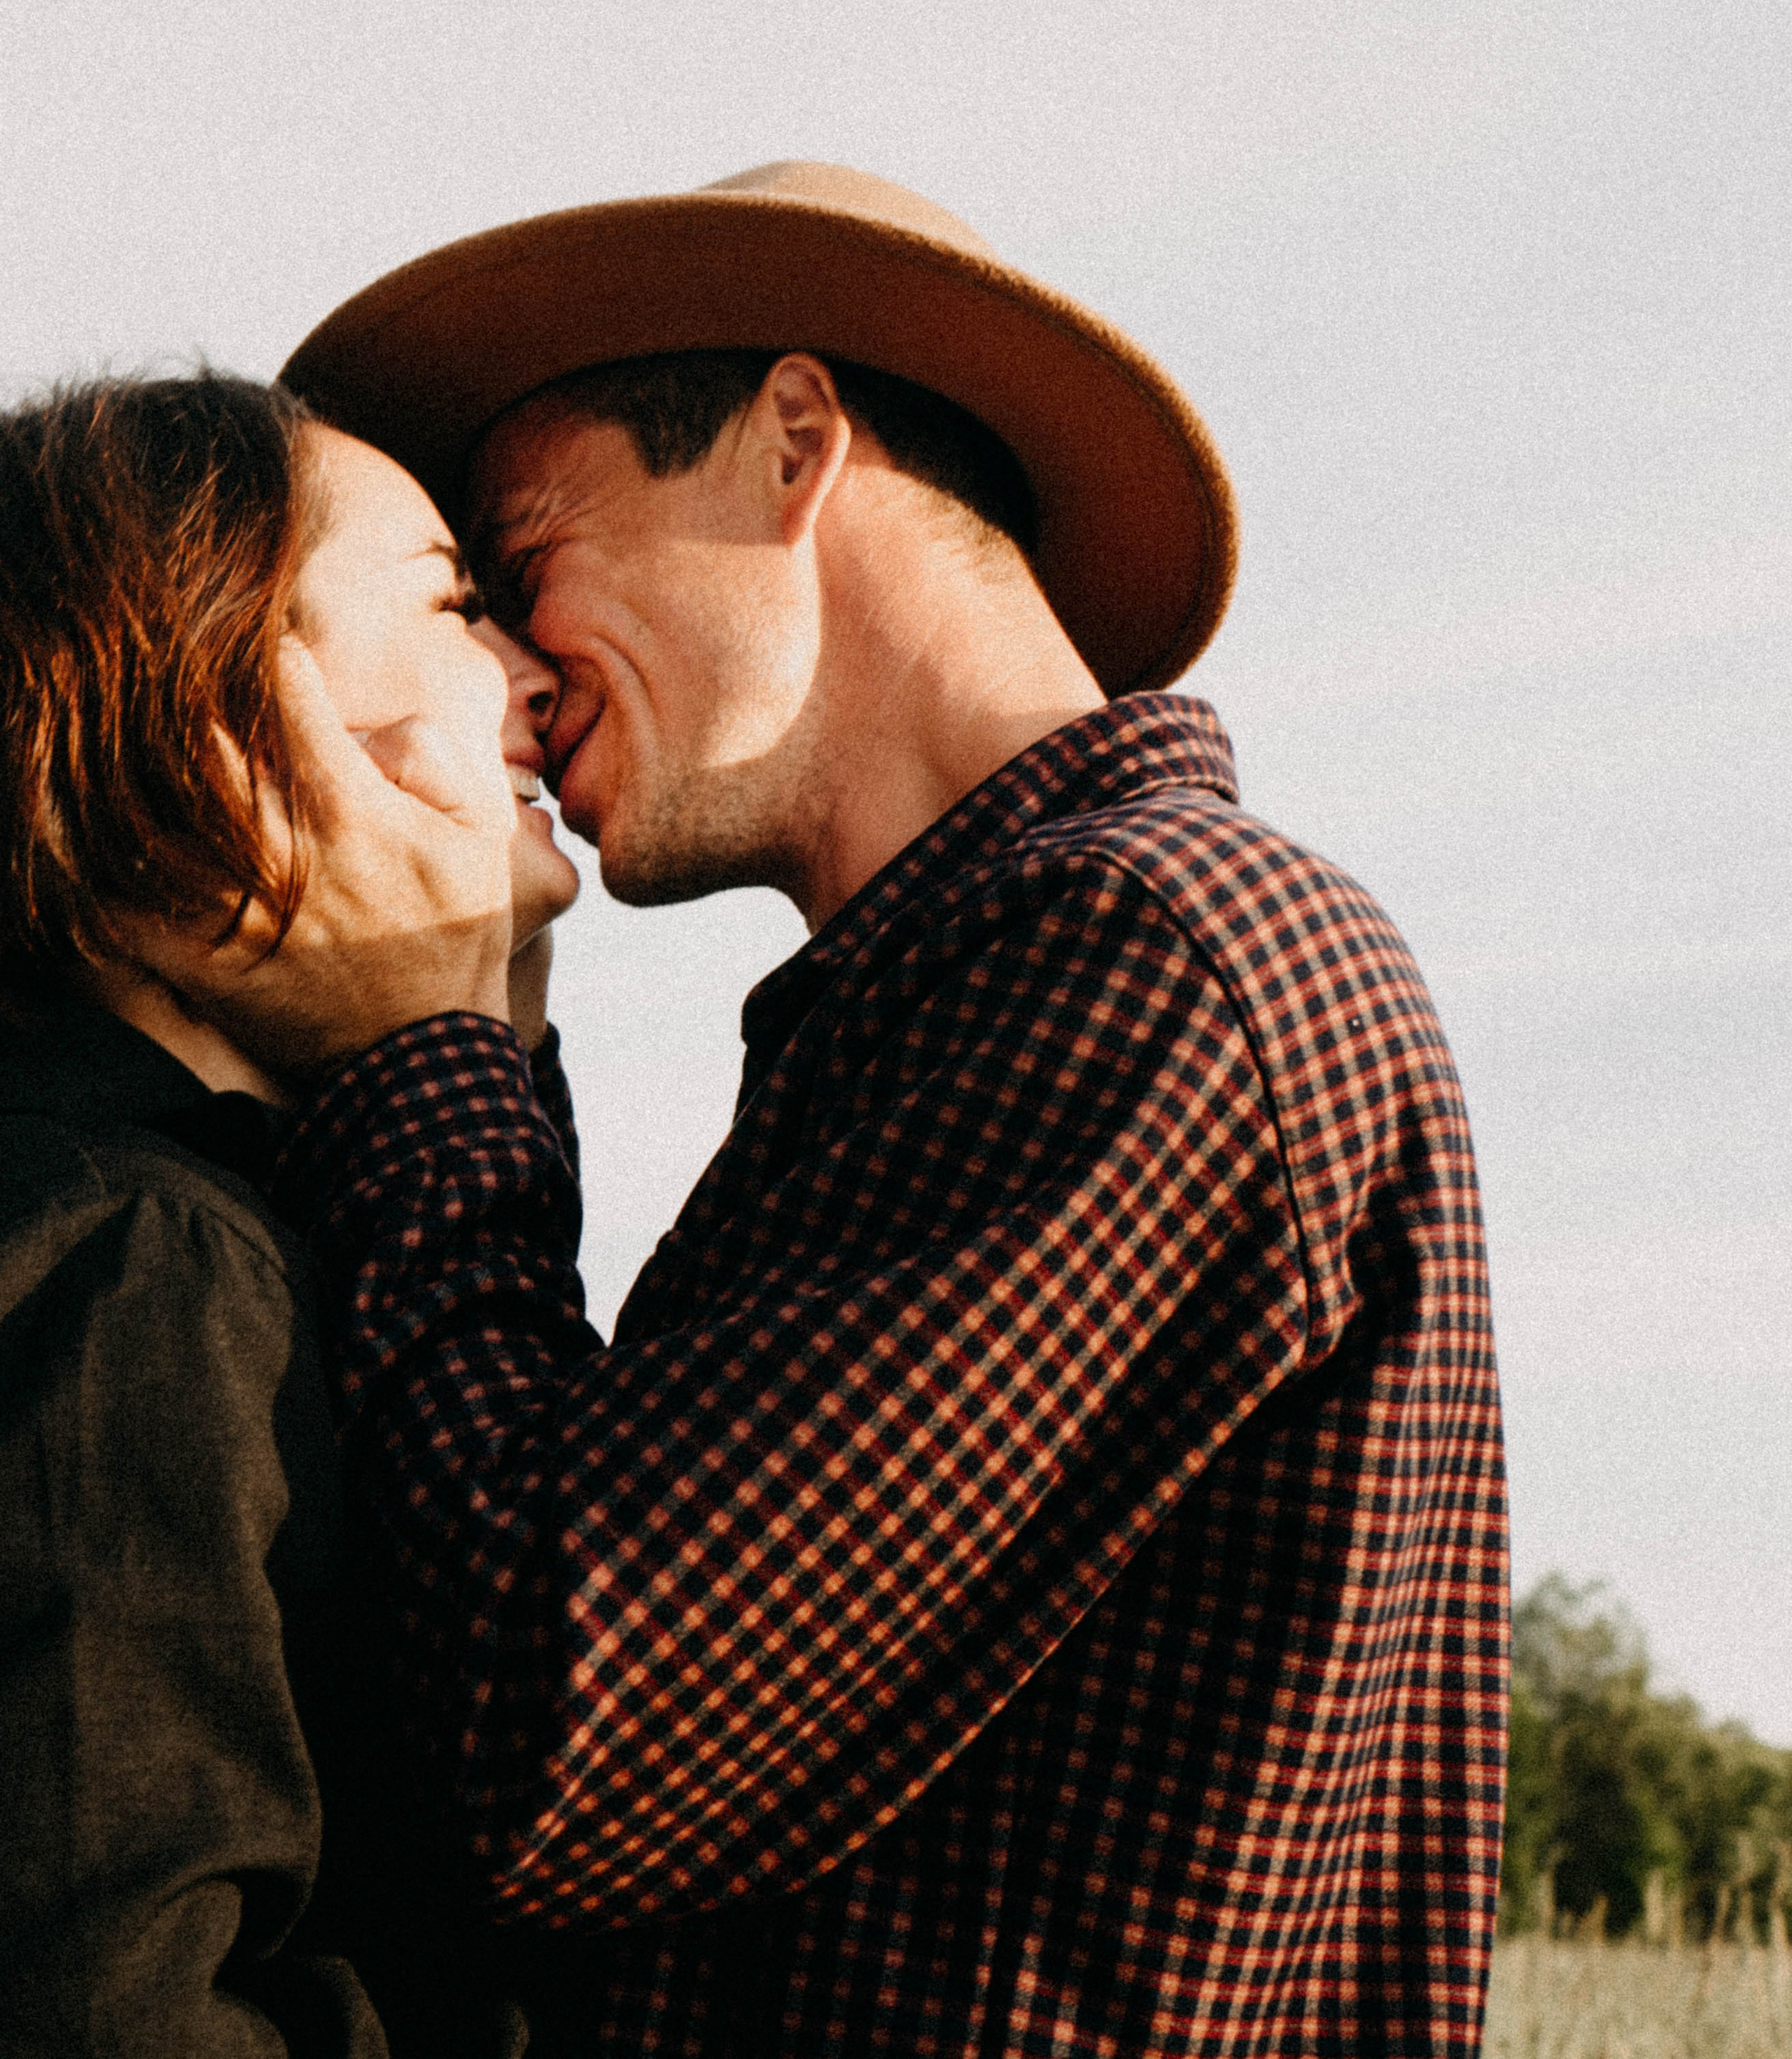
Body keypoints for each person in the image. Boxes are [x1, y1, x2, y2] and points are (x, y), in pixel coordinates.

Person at [169, 162, 1509, 2055]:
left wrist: (425, 1061)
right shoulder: (974, 996)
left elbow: (571, 1739)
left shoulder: (1143, 952)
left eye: (519, 557)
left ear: (792, 442)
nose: (516, 677)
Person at [0, 372, 581, 2058]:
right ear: (221, 695)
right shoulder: (133, 1257)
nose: (534, 671)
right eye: (455, 602)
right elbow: (113, 2001)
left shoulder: (188, 1224)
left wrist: (478, 1048)